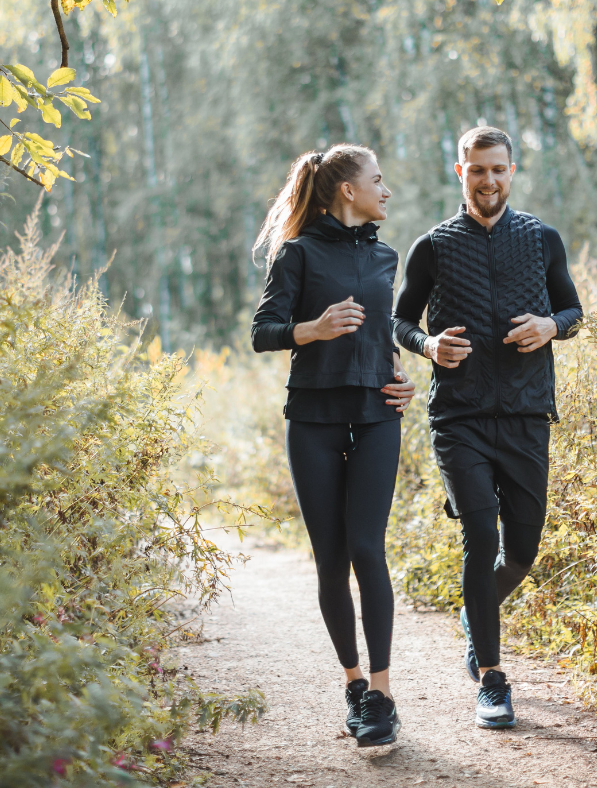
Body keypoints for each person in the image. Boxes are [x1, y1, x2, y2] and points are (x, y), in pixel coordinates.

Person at [392, 126, 583, 729]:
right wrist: (427, 345)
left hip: (527, 413)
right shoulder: (434, 246)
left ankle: (478, 616)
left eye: (498, 169)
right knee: (480, 535)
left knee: (521, 550)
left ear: (512, 170)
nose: (489, 180)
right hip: (460, 416)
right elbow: (400, 322)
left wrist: (552, 326)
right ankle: (494, 683)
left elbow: (573, 310)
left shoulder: (542, 238)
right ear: (460, 173)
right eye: (478, 170)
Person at [251, 144, 415, 747]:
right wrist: (312, 329)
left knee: (368, 550)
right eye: (378, 180)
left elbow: (381, 335)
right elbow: (262, 332)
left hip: (377, 414)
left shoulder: (386, 256)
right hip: (315, 417)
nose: (386, 190)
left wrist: (400, 375)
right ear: (348, 190)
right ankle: (352, 682)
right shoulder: (296, 254)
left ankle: (382, 695)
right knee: (331, 558)